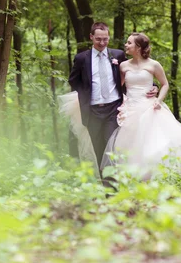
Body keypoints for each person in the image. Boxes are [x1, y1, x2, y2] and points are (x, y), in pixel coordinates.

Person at [101, 32, 181, 180]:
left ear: (138, 46)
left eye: (129, 43)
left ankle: (154, 180)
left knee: (153, 145)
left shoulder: (153, 64)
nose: (126, 45)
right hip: (130, 109)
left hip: (150, 107)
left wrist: (158, 100)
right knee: (129, 146)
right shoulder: (123, 65)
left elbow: (165, 84)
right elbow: (117, 87)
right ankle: (135, 181)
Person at [64, 22, 156, 179]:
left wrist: (152, 86)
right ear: (91, 37)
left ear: (108, 38)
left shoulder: (118, 55)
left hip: (113, 109)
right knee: (98, 148)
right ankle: (105, 185)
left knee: (112, 146)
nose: (102, 43)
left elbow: (134, 72)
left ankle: (114, 185)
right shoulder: (81, 58)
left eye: (105, 39)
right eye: (98, 39)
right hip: (92, 110)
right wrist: (86, 94)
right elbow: (73, 80)